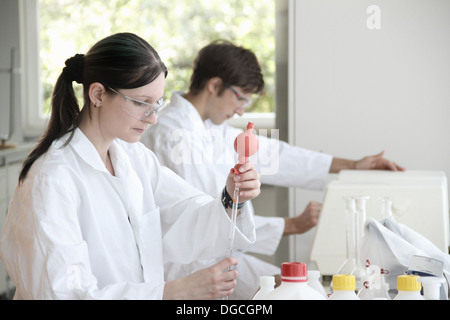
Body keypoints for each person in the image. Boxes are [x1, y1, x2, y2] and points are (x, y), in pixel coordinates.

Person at [0, 33, 262, 300]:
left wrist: (232, 197)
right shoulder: (52, 178)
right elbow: (62, 292)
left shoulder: (132, 156)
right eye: (140, 102)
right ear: (99, 94)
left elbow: (186, 212)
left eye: (157, 103)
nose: (153, 119)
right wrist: (172, 292)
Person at [141, 40, 405, 299]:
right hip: (187, 265)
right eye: (241, 98)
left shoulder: (209, 128)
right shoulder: (176, 133)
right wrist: (291, 225)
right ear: (215, 85)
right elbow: (209, 213)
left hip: (216, 255)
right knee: (291, 288)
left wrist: (351, 165)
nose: (241, 110)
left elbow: (276, 154)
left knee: (299, 286)